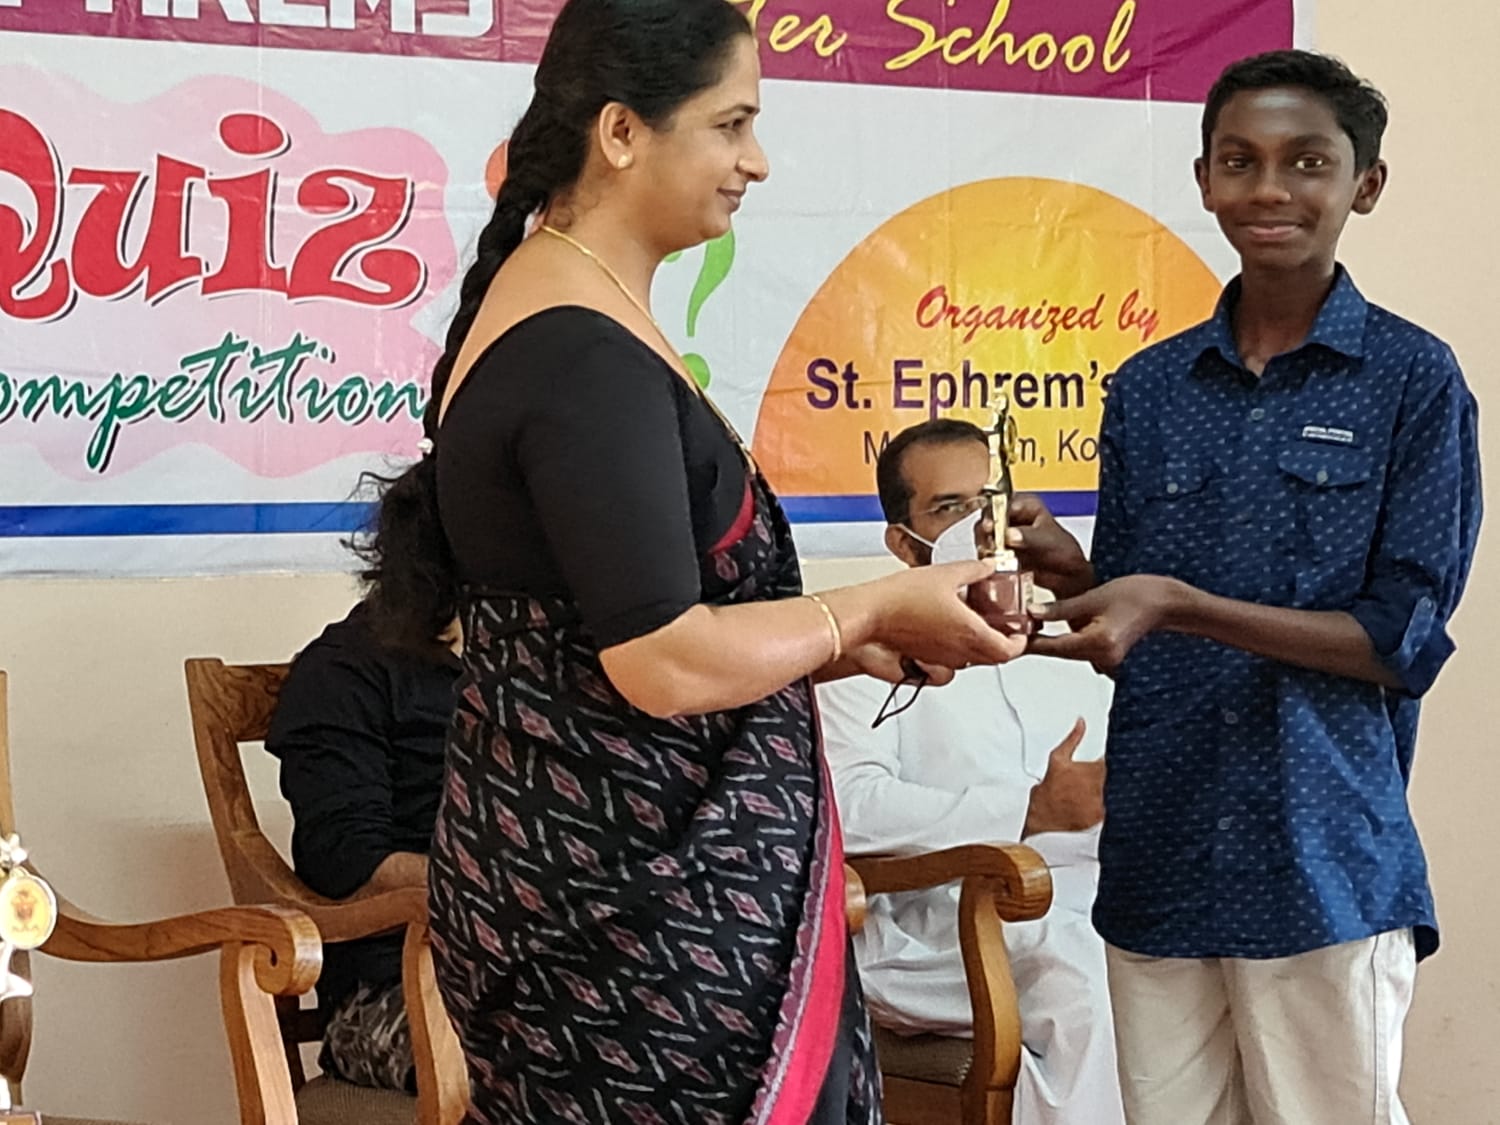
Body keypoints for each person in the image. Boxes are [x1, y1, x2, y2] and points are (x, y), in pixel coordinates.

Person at [354, 2, 1027, 1121]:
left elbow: (602, 640)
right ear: (622, 132)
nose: (756, 161)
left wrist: (855, 645)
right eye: (731, 124)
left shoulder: (578, 317)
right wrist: (869, 609)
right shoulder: (579, 349)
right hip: (636, 923)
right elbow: (660, 661)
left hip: (623, 891)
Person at [1009, 50, 1482, 1125]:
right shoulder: (1148, 387)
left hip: (1323, 855)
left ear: (1365, 184)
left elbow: (1398, 641)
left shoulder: (1414, 379)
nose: (1270, 188)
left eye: (1307, 161)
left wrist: (1175, 603)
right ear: (1205, 179)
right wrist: (1075, 575)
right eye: (1241, 160)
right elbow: (1134, 617)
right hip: (1161, 848)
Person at [817, 420, 1123, 1125]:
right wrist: (1027, 811)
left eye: (990, 501)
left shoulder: (1072, 637)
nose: (978, 524)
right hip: (936, 925)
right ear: (904, 543)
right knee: (1080, 971)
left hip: (1095, 895)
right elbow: (850, 809)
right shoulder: (867, 650)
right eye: (949, 508)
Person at [264, 600, 459, 1091]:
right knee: (565, 1053)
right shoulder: (345, 668)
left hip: (555, 971)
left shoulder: (557, 661)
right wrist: (505, 888)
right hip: (388, 995)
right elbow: (350, 865)